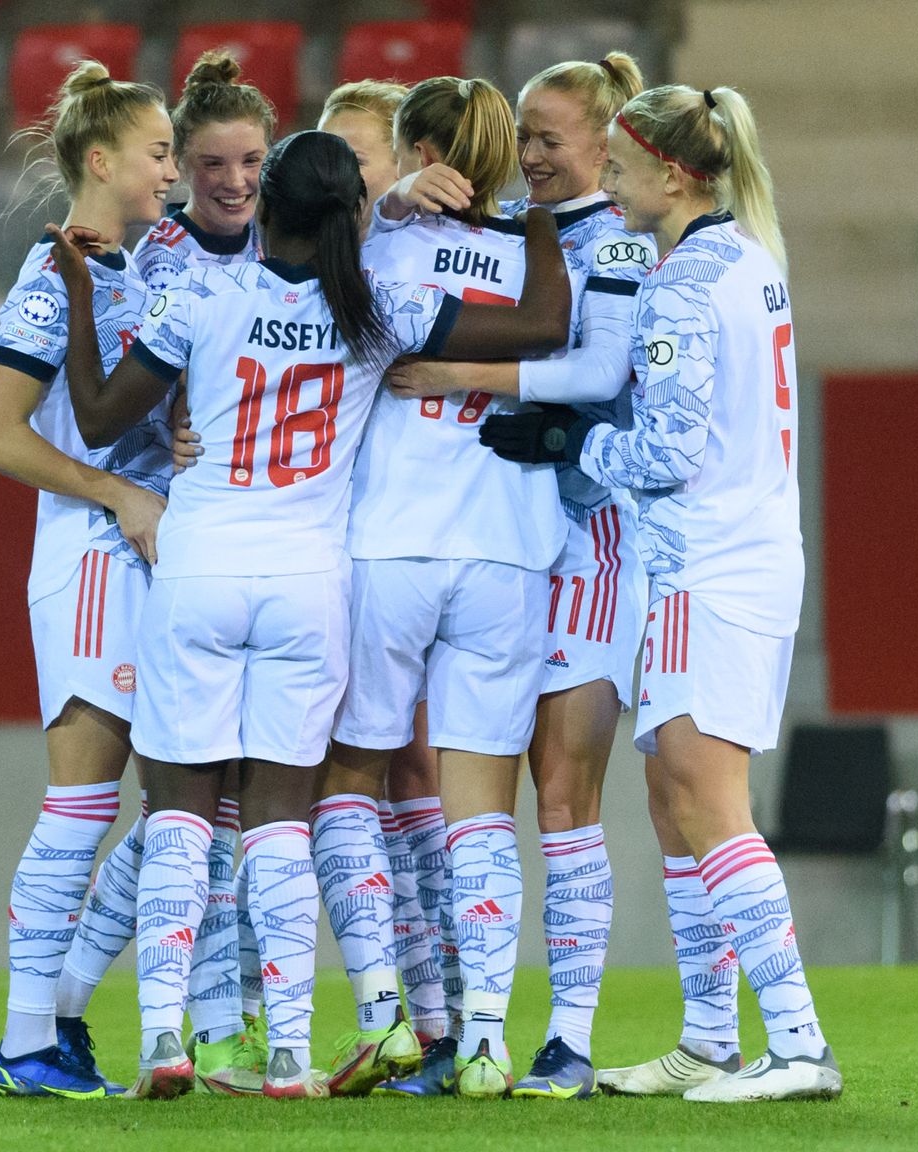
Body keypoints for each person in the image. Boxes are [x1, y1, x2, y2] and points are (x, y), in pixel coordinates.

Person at [52, 127, 570, 1100]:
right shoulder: (378, 312)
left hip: (199, 570)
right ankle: (290, 1053)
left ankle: (162, 1039)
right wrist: (534, 220)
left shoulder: (202, 294)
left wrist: (83, 299)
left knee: (178, 816)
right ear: (353, 217)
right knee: (282, 825)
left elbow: (93, 415)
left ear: (271, 204)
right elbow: (542, 325)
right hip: (308, 586)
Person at [478, 83, 841, 1103]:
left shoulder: (681, 284)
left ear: (670, 174)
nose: (614, 178)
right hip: (752, 549)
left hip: (703, 562)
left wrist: (570, 439)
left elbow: (667, 448)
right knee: (669, 798)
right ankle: (709, 1038)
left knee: (706, 799)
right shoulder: (749, 259)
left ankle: (799, 1043)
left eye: (627, 162)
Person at [378, 53, 654, 1101]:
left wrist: (460, 373)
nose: (530, 158)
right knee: (463, 794)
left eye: (549, 139)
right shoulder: (486, 235)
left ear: (605, 141)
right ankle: (462, 1027)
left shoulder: (620, 246)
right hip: (502, 542)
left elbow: (599, 376)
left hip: (586, 544)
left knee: (565, 794)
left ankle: (568, 1039)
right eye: (523, 138)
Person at [309, 75, 566, 1100]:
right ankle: (490, 1041)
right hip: (505, 553)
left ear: (418, 147)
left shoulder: (375, 249)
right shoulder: (532, 258)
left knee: (347, 780)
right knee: (479, 813)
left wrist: (387, 204)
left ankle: (385, 1014)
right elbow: (550, 332)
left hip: (391, 544)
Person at [53, 48, 275, 1097]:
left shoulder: (293, 248)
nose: (234, 181)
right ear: (180, 167)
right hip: (170, 547)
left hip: (269, 552)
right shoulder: (159, 263)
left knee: (210, 810)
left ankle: (84, 994)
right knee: (186, 800)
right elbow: (113, 405)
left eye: (251, 162)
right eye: (211, 163)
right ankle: (199, 1023)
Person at [0, 59, 177, 1099]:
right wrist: (116, 493)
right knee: (83, 804)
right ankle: (23, 1041)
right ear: (100, 161)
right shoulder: (54, 275)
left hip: (146, 560)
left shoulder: (136, 266)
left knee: (186, 803)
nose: (171, 173)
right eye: (157, 153)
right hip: (93, 559)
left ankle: (59, 1010)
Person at [315, 76, 456, 1076]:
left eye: (358, 160)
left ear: (404, 167)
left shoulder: (398, 266)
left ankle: (419, 1011)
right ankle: (435, 1015)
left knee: (381, 781)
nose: (343, 179)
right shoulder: (316, 270)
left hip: (384, 552)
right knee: (396, 781)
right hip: (340, 550)